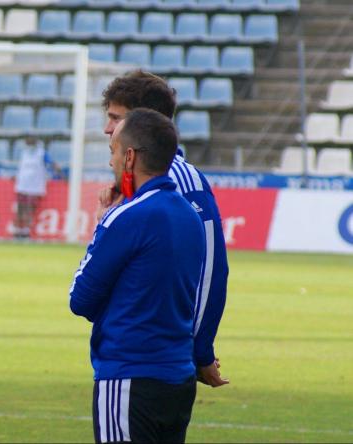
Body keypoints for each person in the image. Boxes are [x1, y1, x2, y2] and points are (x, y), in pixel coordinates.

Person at [70, 109, 206, 443]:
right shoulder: (190, 216)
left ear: (130, 157)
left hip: (128, 374)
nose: (111, 161)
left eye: (113, 151)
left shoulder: (127, 217)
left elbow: (81, 299)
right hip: (178, 375)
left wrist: (102, 222)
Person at [98, 70, 230, 388]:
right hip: (123, 355)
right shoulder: (131, 185)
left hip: (160, 362)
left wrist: (200, 351)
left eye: (116, 119)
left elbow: (212, 270)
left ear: (144, 122)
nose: (107, 129)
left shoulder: (183, 181)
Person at [12, 136, 63, 239]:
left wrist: (59, 173)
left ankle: (26, 231)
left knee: (29, 209)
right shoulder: (24, 153)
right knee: (20, 208)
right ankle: (17, 230)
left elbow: (52, 164)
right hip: (22, 185)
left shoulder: (42, 153)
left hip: (35, 187)